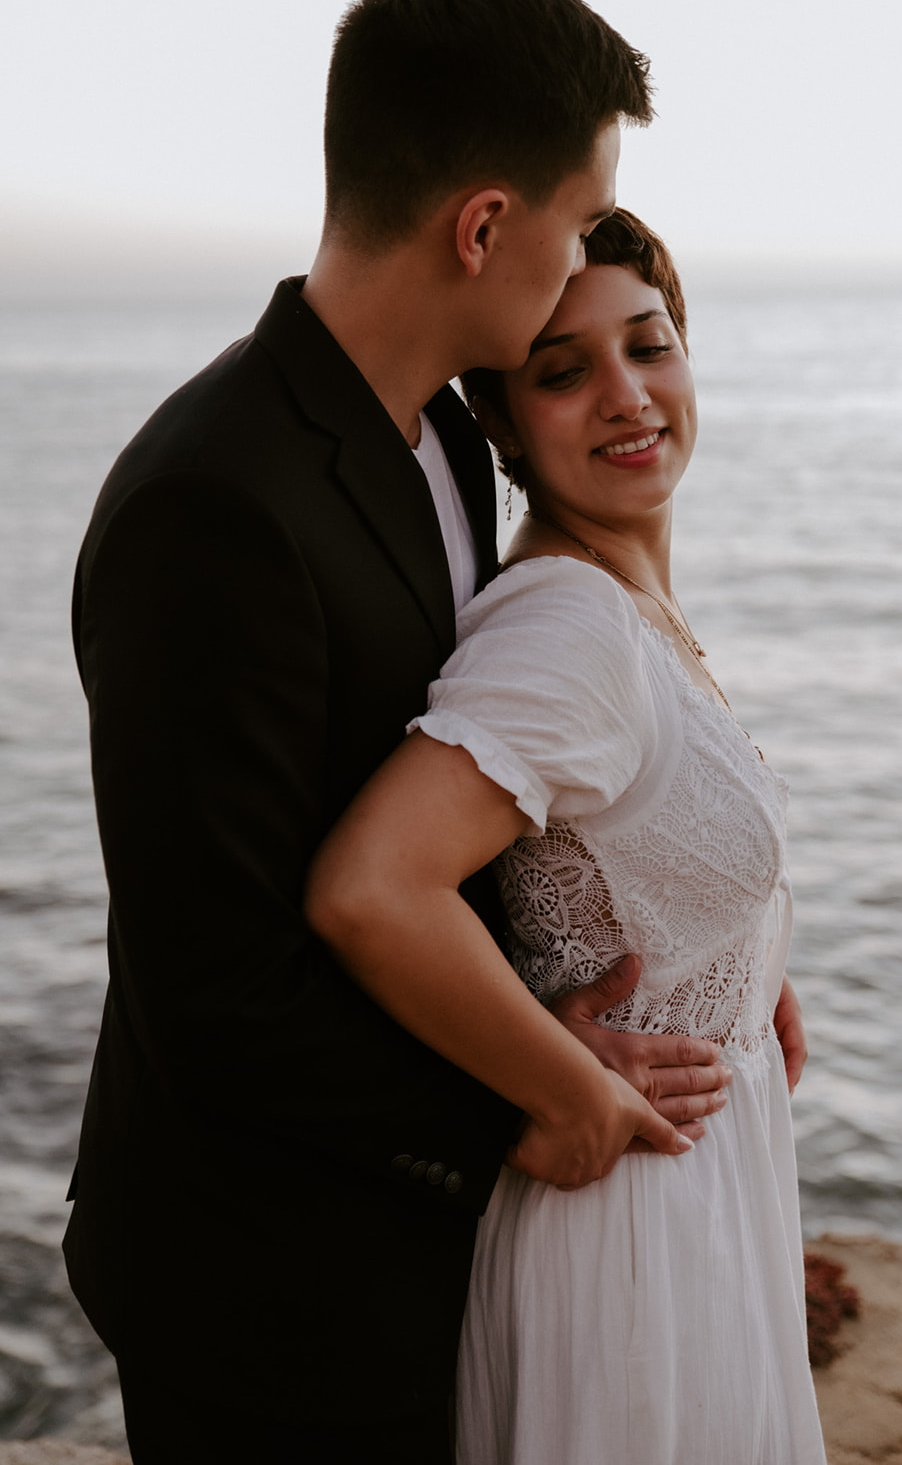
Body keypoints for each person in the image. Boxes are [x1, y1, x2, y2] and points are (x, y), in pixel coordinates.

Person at [64, 0, 733, 1463]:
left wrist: (711, 935)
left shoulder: (440, 432)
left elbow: (479, 771)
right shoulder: (210, 503)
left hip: (413, 1253)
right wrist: (528, 1100)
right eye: (574, 217)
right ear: (484, 226)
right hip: (266, 1288)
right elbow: (215, 997)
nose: (582, 252)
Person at [305, 209, 826, 1462]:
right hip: (632, 1241)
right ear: (499, 419)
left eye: (648, 345)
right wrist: (562, 1083)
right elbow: (373, 888)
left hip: (703, 1199)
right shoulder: (569, 631)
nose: (626, 395)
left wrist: (741, 957)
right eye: (563, 370)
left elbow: (619, 841)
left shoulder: (624, 604)